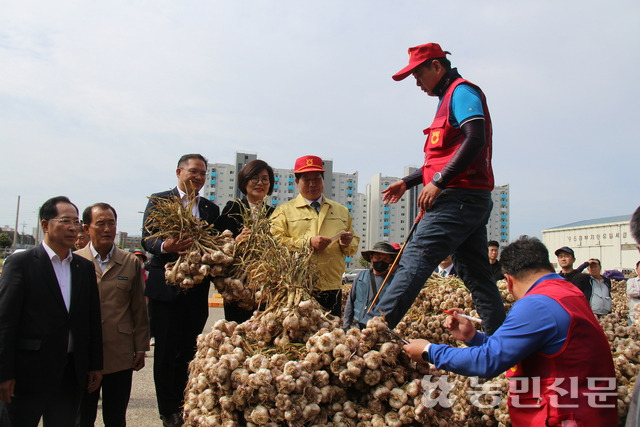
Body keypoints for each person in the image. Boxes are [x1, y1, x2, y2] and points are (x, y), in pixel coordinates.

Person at [364, 43, 506, 334]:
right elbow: (441, 157)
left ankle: (372, 333)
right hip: (467, 199)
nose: (416, 83)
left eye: (418, 74)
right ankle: (502, 342)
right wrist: (408, 182)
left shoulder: (462, 92)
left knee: (415, 259)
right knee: (477, 275)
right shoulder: (446, 100)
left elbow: (475, 138)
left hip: (459, 198)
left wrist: (439, 182)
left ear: (437, 67)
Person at [403, 236, 617, 425]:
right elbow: (518, 348)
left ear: (509, 281)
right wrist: (473, 337)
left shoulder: (537, 304)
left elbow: (488, 362)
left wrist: (429, 351)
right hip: (587, 412)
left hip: (564, 417)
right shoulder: (567, 292)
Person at [0, 196, 103, 426]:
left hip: (69, 374)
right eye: (65, 220)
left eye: (76, 222)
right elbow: (5, 322)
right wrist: (3, 374)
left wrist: (95, 364)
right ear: (45, 225)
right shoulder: (22, 264)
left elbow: (91, 319)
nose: (73, 227)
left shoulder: (83, 268)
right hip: (28, 374)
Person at [142, 154, 220, 427]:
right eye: (193, 172)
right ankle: (168, 410)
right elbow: (148, 238)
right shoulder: (159, 200)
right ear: (179, 171)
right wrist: (167, 246)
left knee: (189, 348)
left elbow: (216, 244)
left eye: (202, 174)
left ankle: (185, 400)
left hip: (196, 289)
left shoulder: (211, 209)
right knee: (165, 350)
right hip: (166, 285)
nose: (198, 177)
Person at [75, 203, 150, 427]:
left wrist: (140, 347)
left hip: (119, 351)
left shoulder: (129, 262)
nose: (107, 229)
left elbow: (138, 307)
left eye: (111, 223)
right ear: (86, 228)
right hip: (84, 354)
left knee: (116, 416)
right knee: (82, 417)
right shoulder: (75, 262)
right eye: (100, 224)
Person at [270, 155, 359, 316]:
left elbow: (353, 247)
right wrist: (308, 243)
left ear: (323, 180)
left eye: (317, 179)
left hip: (332, 287)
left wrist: (346, 243)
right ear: (297, 182)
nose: (312, 184)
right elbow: (274, 243)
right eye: (306, 179)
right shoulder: (284, 211)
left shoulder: (341, 211)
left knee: (330, 336)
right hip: (297, 287)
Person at [216, 160, 275, 323]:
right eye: (254, 178)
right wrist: (236, 240)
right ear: (244, 181)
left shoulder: (274, 213)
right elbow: (218, 244)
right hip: (238, 284)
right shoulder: (233, 208)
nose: (260, 183)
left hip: (265, 285)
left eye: (265, 179)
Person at [343, 242, 398, 328]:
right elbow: (350, 301)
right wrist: (346, 325)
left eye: (385, 259)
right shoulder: (361, 276)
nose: (381, 261)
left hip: (379, 328)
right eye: (378, 257)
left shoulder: (393, 281)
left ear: (390, 261)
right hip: (357, 326)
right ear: (371, 258)